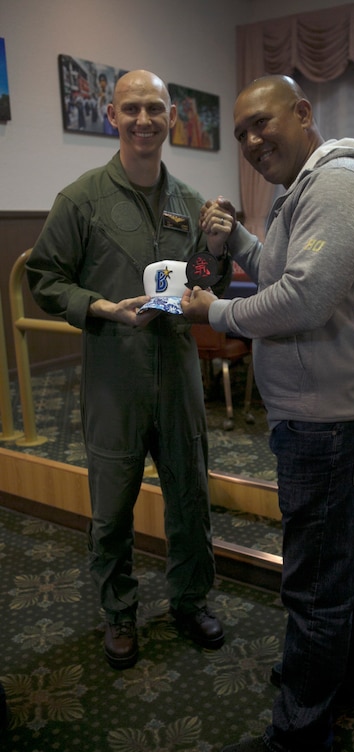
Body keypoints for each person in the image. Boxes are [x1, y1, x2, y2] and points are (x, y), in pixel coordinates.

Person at [181, 74, 354, 752]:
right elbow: (286, 267)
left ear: (302, 114)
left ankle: (298, 744)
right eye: (240, 131)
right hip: (336, 416)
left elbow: (302, 299)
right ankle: (339, 688)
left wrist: (212, 312)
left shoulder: (336, 185)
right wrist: (238, 238)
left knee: (315, 587)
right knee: (342, 569)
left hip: (333, 425)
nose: (249, 140)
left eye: (260, 123)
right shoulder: (306, 189)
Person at [26, 70, 231, 671]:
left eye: (155, 109)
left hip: (178, 372)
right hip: (114, 374)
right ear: (111, 117)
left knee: (190, 495)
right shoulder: (81, 199)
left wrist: (215, 254)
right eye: (132, 108)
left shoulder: (191, 203)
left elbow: (204, 286)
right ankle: (119, 611)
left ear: (171, 118)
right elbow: (44, 279)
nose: (144, 119)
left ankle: (190, 600)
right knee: (111, 504)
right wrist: (101, 308)